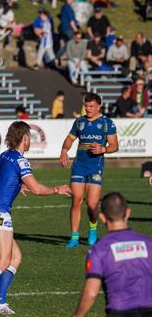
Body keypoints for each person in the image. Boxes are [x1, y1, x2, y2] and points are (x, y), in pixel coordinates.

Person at [0, 121, 71, 317]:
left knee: (15, 257)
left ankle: (0, 303)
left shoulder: (2, 156)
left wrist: (16, 184)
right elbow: (37, 188)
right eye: (29, 137)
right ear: (25, 138)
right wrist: (57, 189)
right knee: (3, 260)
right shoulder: (21, 160)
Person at [73, 192, 152, 317]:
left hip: (119, 311)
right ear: (128, 213)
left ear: (102, 218)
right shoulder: (148, 244)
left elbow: (92, 292)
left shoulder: (99, 250)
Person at [59, 93, 119, 248]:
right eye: (86, 106)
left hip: (95, 167)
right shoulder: (79, 122)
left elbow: (114, 145)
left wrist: (103, 149)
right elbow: (70, 139)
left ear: (99, 106)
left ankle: (93, 228)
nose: (88, 109)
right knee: (76, 200)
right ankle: (74, 236)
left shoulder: (107, 123)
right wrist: (64, 150)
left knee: (92, 205)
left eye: (91, 106)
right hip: (79, 165)